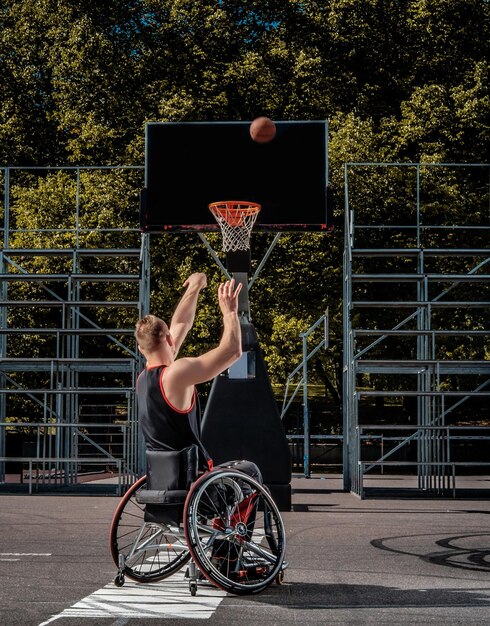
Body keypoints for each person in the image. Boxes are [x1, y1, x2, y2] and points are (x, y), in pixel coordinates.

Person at [134, 272, 261, 482]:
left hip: (162, 478)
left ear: (141, 349)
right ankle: (226, 517)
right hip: (193, 478)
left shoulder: (144, 379)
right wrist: (230, 312)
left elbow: (181, 324)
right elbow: (232, 352)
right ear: (168, 340)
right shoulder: (175, 374)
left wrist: (195, 287)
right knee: (251, 471)